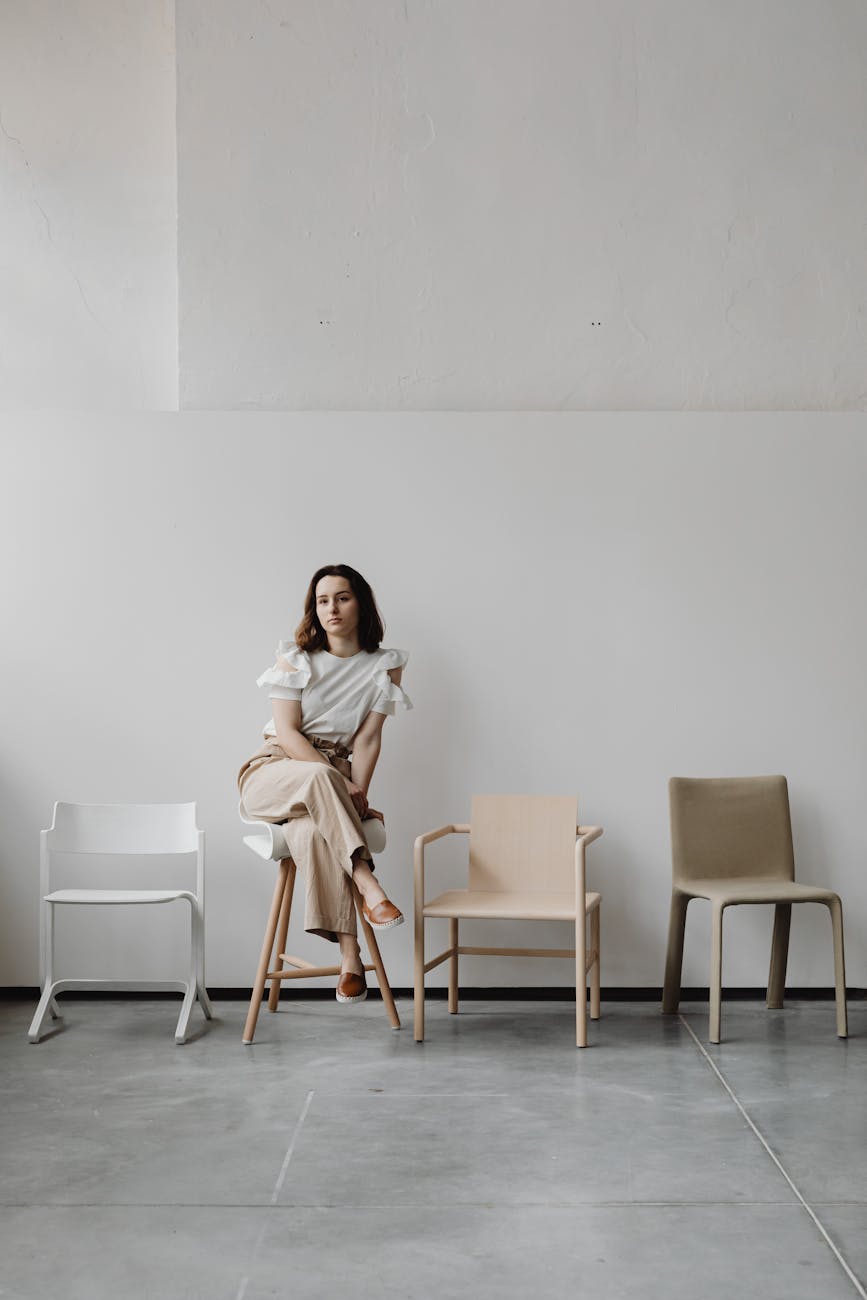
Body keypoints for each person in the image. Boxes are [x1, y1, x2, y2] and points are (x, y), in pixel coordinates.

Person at [237, 564, 411, 1004]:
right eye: (322, 600)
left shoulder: (384, 667)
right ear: (314, 609)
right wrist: (338, 781)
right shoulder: (294, 659)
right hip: (273, 771)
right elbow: (289, 733)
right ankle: (368, 883)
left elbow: (369, 739)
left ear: (362, 603)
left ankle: (351, 959)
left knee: (317, 831)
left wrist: (358, 792)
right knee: (317, 775)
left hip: (328, 783)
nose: (331, 608)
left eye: (342, 597)